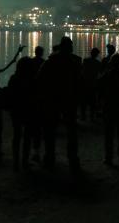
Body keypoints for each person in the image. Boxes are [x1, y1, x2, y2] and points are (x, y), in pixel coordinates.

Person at [37, 36, 82, 172]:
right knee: (71, 131)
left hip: (52, 99)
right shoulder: (74, 62)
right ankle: (73, 159)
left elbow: (40, 78)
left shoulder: (51, 61)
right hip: (68, 99)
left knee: (50, 129)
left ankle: (49, 157)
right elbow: (79, 81)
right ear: (69, 48)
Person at [7, 57, 34, 170]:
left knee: (17, 135)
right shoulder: (32, 79)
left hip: (16, 110)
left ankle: (16, 161)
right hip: (28, 109)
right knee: (27, 136)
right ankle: (25, 161)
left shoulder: (14, 78)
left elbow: (10, 94)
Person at [81, 47, 102, 121]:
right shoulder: (98, 63)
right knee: (92, 102)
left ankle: (83, 116)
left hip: (85, 83)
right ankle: (91, 117)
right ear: (97, 54)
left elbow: (82, 71)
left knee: (84, 101)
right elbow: (100, 74)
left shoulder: (85, 61)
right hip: (93, 84)